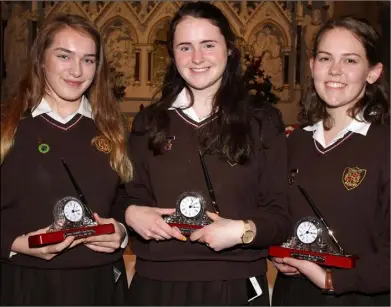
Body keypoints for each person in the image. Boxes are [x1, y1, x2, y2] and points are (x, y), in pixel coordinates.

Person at [122, 2, 290, 305]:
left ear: (229, 50)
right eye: (185, 47)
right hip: (157, 284)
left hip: (235, 284)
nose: (197, 58)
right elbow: (124, 196)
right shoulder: (148, 123)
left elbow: (281, 214)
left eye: (208, 45)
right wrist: (131, 213)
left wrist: (242, 231)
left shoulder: (262, 121)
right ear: (173, 56)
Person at [0, 13, 133, 305]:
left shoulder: (112, 130)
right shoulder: (8, 127)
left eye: (88, 59)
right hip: (25, 282)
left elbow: (125, 198)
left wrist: (120, 230)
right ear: (41, 59)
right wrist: (13, 242)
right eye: (64, 56)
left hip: (100, 284)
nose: (77, 70)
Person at [271, 17, 390, 306]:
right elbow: (275, 215)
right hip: (294, 297)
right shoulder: (292, 143)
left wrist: (331, 279)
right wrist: (275, 253)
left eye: (350, 60)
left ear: (373, 72)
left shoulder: (384, 144)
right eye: (326, 58)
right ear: (312, 66)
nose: (335, 70)